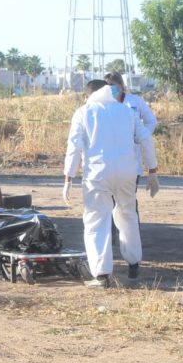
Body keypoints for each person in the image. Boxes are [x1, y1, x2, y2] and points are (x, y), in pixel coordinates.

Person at [63, 80, 160, 288]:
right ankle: (134, 262)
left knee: (97, 221)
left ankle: (101, 274)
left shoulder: (84, 112)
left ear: (88, 95)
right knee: (127, 215)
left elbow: (74, 146)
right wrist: (152, 170)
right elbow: (146, 139)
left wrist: (68, 176)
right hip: (127, 173)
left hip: (97, 175)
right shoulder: (126, 111)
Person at [104, 71, 158, 241]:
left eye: (114, 85)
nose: (112, 89)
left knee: (127, 202)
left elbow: (151, 121)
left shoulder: (135, 101)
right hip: (108, 161)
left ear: (121, 85)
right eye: (108, 86)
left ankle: (131, 237)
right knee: (108, 202)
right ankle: (110, 235)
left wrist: (141, 135)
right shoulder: (103, 104)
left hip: (130, 162)